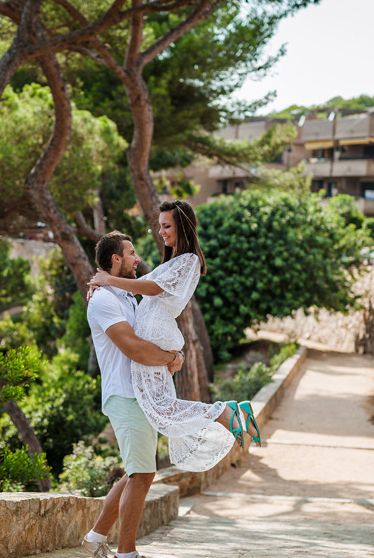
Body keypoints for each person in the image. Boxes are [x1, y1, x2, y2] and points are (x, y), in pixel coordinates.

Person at [87, 200, 260, 474]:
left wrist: (108, 281)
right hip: (155, 337)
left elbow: (152, 288)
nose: (161, 232)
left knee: (163, 411)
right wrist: (101, 287)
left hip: (155, 337)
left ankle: (223, 412)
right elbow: (140, 289)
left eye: (166, 226)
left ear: (182, 227)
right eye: (160, 226)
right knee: (163, 410)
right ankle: (224, 411)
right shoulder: (176, 261)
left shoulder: (189, 260)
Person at [80, 231, 183, 558]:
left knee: (135, 471)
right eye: (131, 253)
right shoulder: (104, 300)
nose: (137, 259)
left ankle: (95, 538)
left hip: (136, 395)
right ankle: (125, 556)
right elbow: (133, 347)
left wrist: (173, 356)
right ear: (115, 260)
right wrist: (168, 357)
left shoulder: (125, 296)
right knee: (143, 473)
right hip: (124, 395)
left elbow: (147, 340)